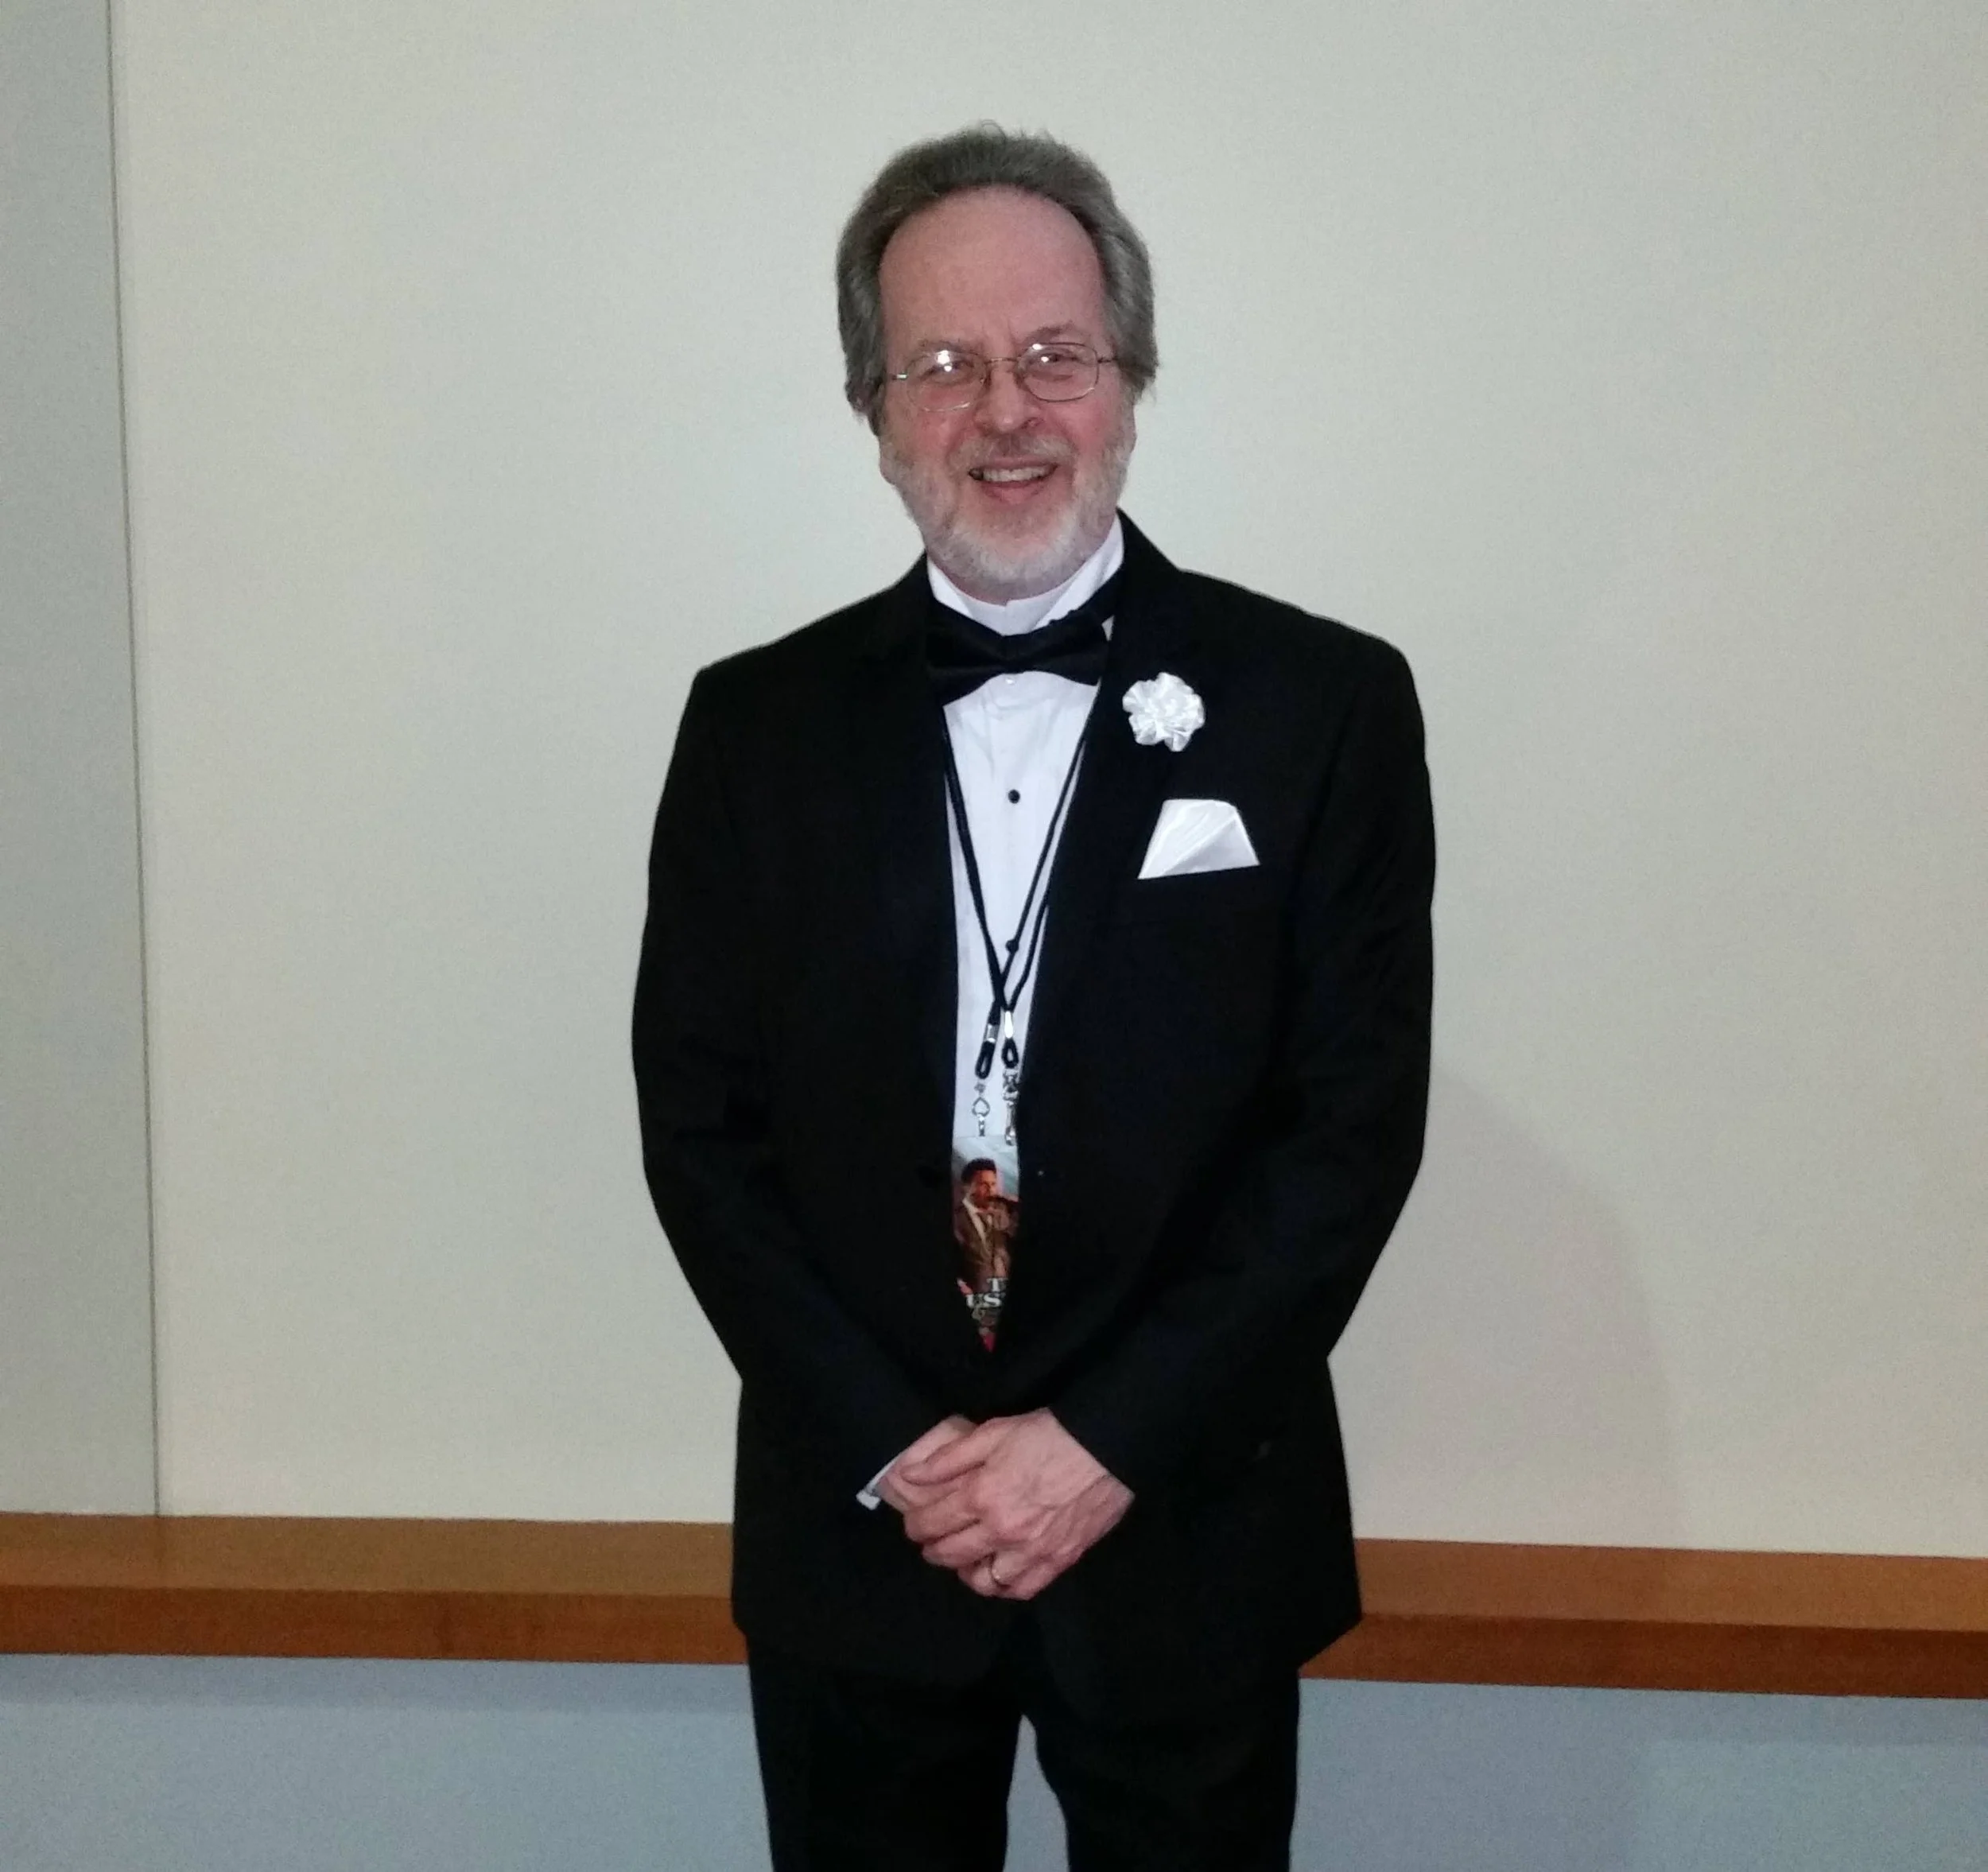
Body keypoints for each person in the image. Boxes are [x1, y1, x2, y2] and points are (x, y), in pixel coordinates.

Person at [633, 124, 1434, 1872]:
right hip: (866, 1537)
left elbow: (1346, 1138)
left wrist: (1100, 1444)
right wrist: (901, 1447)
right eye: (943, 365)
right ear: (873, 409)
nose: (1005, 410)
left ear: (1129, 382)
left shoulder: (1324, 709)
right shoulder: (751, 730)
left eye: (1055, 355)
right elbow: (701, 1138)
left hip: (1185, 1525)